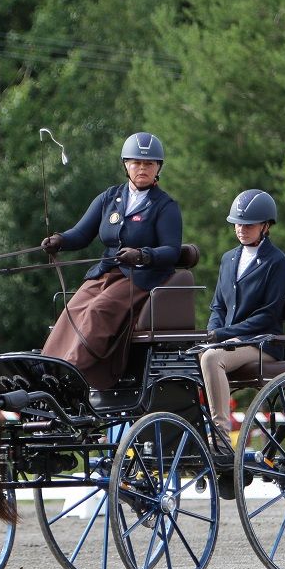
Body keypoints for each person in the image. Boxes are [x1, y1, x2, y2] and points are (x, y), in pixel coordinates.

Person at [39, 132, 183, 389]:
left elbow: (172, 251)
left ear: (158, 168)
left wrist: (143, 255)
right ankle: (47, 368)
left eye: (149, 164)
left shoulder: (165, 206)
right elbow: (82, 234)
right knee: (73, 310)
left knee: (98, 311)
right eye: (136, 163)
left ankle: (72, 371)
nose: (142, 168)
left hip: (141, 277)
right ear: (126, 165)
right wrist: (60, 240)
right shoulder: (109, 198)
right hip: (107, 271)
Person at [200, 189, 285, 467]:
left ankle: (221, 438)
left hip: (261, 343)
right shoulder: (228, 259)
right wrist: (212, 333)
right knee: (186, 356)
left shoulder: (276, 262)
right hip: (230, 342)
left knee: (212, 358)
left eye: (248, 224)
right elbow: (218, 306)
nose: (241, 229)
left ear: (265, 226)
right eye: (238, 223)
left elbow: (267, 315)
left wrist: (224, 336)